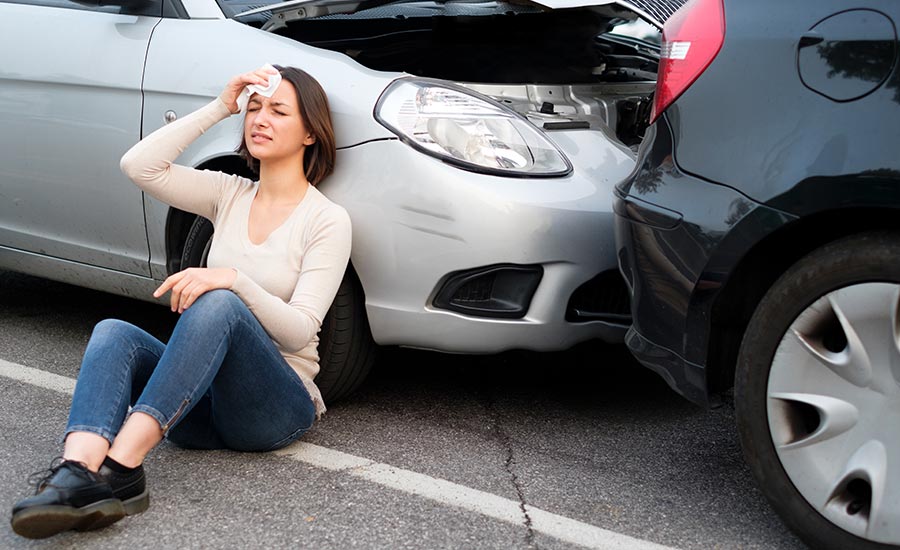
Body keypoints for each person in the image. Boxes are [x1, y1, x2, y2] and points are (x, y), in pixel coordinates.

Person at [10, 65, 352, 539]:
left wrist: (233, 280)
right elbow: (139, 166)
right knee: (114, 332)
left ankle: (123, 467)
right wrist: (220, 106)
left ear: (311, 132)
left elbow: (299, 330)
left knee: (220, 301)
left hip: (272, 407)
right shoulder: (229, 193)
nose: (260, 118)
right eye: (254, 108)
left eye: (278, 110)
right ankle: (77, 473)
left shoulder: (328, 220)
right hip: (199, 409)